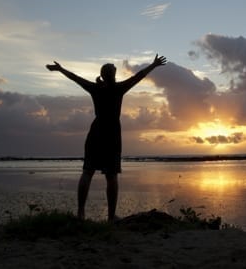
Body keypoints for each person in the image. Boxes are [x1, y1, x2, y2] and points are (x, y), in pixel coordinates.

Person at [46, 54, 166, 222]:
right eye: (114, 72)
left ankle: (81, 213)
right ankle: (110, 216)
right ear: (113, 74)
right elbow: (138, 76)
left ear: (103, 75)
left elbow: (76, 78)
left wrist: (60, 69)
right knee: (111, 176)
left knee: (88, 172)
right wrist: (153, 65)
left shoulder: (97, 88)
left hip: (96, 132)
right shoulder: (118, 88)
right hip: (111, 134)